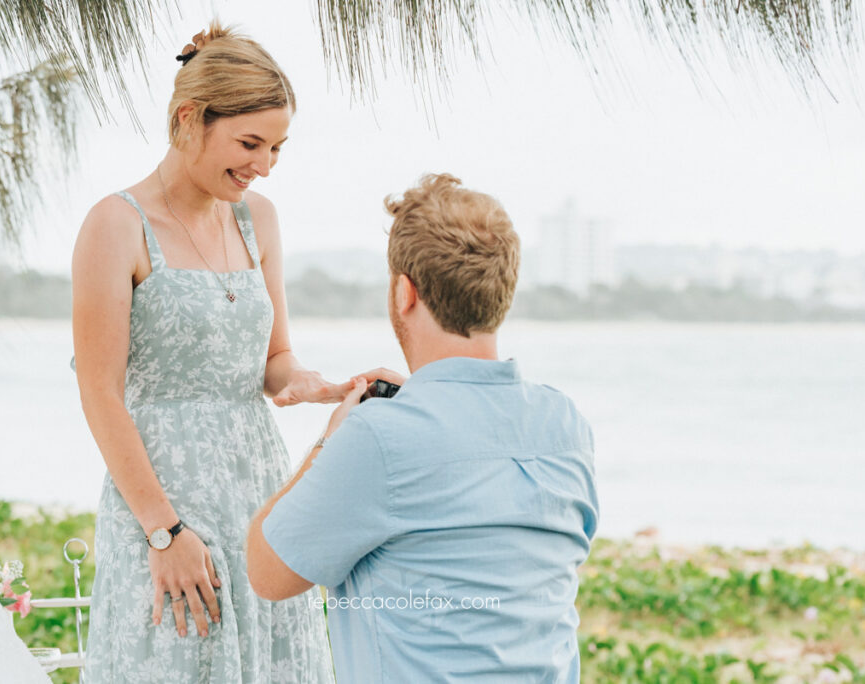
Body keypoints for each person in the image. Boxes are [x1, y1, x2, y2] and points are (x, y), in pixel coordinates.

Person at [72, 21, 380, 683]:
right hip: (161, 502)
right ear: (190, 119)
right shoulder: (115, 225)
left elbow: (275, 363)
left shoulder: (256, 218)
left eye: (276, 148)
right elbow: (99, 392)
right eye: (249, 143)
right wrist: (164, 532)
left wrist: (323, 388)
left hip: (259, 491)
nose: (264, 164)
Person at [246, 173, 600, 682]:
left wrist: (331, 441)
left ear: (403, 292)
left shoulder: (378, 437)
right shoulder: (565, 425)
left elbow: (267, 570)